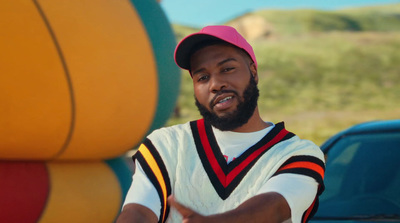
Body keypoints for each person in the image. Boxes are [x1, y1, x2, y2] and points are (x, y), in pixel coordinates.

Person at [116, 25, 325, 223]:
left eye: (227, 69)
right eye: (203, 77)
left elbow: (274, 206)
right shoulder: (166, 144)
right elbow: (139, 210)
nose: (215, 84)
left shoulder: (298, 153)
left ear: (253, 72)